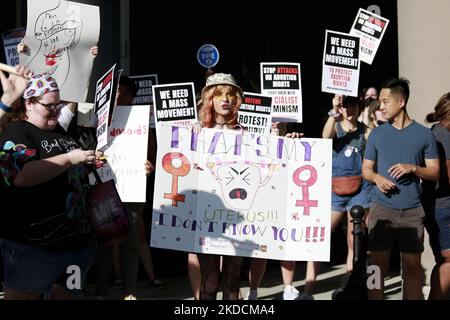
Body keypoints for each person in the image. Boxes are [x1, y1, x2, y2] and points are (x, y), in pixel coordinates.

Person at [0, 73, 97, 299]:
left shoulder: (60, 131)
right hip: (31, 248)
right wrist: (69, 159)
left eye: (58, 104)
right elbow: (21, 175)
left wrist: (86, 164)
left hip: (74, 247)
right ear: (29, 104)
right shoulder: (16, 132)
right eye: (49, 105)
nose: (55, 110)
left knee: (65, 295)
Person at [362, 78, 440, 300]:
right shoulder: (377, 134)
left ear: (401, 101)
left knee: (412, 268)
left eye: (385, 101)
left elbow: (434, 172)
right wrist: (377, 178)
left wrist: (414, 168)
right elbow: (366, 170)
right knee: (375, 267)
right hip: (381, 208)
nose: (381, 106)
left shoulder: (424, 135)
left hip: (412, 210)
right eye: (380, 102)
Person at [194, 73, 245, 300]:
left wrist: (284, 139)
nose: (226, 99)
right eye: (219, 94)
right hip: (206, 214)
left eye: (230, 94)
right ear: (209, 99)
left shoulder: (248, 134)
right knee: (210, 279)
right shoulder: (196, 132)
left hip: (239, 215)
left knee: (232, 280)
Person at [422, 93, 450, 300]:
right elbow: (446, 175)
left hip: (439, 206)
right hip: (443, 207)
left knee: (444, 262)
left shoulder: (437, 131)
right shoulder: (443, 135)